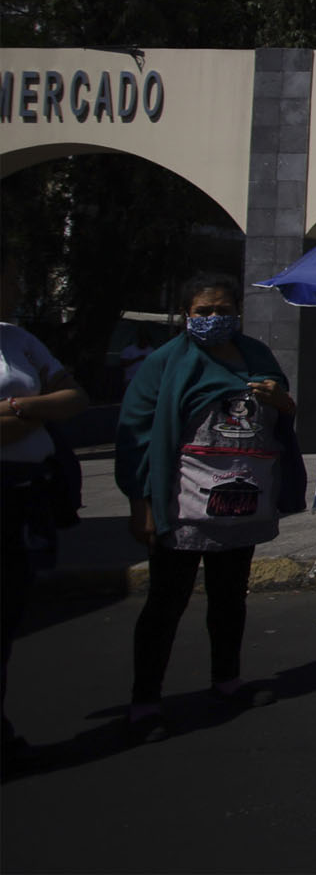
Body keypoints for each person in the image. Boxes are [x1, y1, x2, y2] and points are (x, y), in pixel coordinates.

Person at [115, 272, 305, 744]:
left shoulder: (256, 355)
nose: (214, 319)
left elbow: (285, 408)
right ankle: (145, 700)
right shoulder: (166, 363)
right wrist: (142, 503)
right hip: (182, 502)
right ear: (187, 315)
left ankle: (227, 678)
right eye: (204, 312)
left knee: (230, 595)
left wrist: (279, 400)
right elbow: (135, 434)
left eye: (223, 310)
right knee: (166, 601)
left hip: (241, 497)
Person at [1, 253, 88, 759]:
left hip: (22, 495)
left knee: (9, 614)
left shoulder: (18, 339)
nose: (17, 283)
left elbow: (74, 398)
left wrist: (17, 409)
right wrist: (35, 411)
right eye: (11, 273)